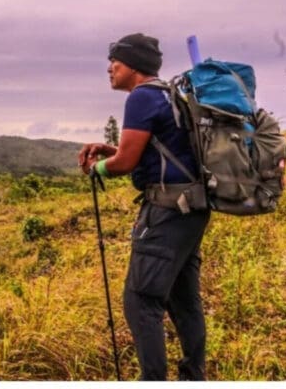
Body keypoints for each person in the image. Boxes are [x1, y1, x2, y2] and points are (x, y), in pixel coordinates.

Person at [78, 33, 211, 381]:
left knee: (140, 302)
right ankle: (193, 377)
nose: (110, 69)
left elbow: (124, 164)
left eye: (116, 63)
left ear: (133, 66)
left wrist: (99, 167)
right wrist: (114, 151)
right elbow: (155, 150)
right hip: (192, 211)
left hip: (167, 212)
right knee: (183, 300)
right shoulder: (170, 94)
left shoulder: (141, 97)